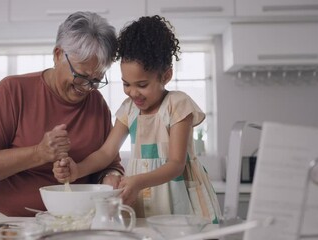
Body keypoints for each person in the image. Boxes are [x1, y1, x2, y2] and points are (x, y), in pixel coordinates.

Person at [53, 15, 221, 223]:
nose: (133, 93)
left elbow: (176, 164)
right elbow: (106, 153)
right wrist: (78, 169)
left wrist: (138, 181)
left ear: (166, 76)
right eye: (126, 84)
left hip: (180, 199)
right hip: (145, 196)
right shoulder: (128, 110)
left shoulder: (177, 105)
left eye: (142, 85)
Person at [0, 11, 124, 218]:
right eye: (80, 76)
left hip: (76, 221)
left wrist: (111, 177)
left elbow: (109, 163)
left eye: (96, 80)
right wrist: (39, 153)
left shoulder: (97, 104)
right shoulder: (12, 91)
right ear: (58, 55)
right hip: (10, 223)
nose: (87, 88)